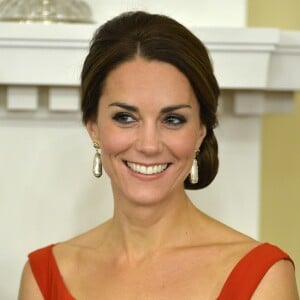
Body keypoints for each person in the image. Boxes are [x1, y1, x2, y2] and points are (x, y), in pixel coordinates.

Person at [18, 11, 299, 300]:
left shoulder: (263, 278)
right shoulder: (43, 278)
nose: (149, 145)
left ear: (201, 130)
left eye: (173, 119)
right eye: (125, 117)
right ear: (93, 127)